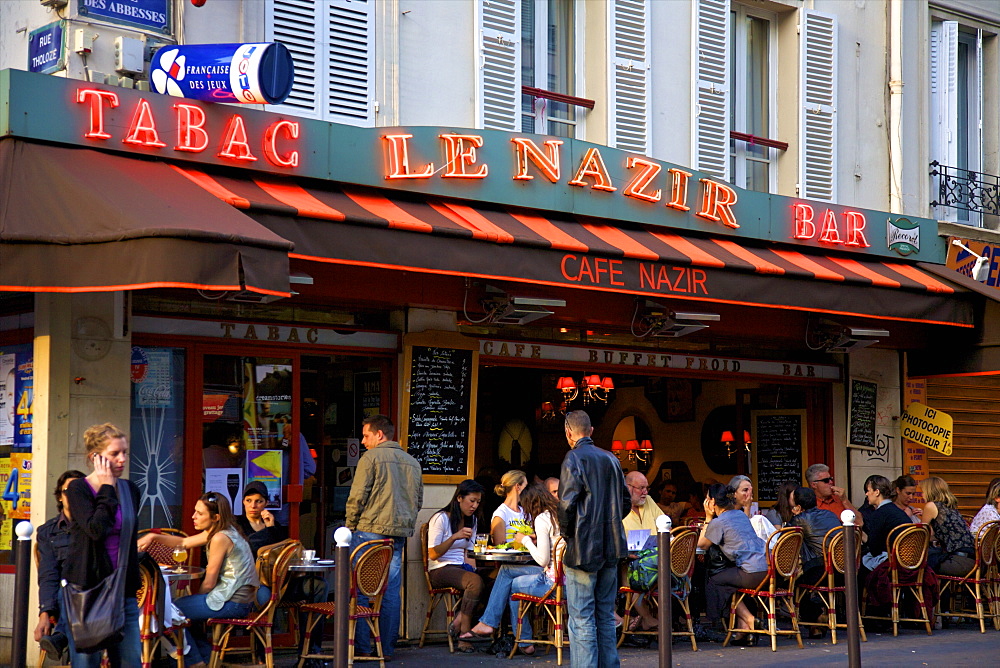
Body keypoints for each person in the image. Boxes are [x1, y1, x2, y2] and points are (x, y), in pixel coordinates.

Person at [142, 493, 259, 668]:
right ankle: (205, 659)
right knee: (184, 609)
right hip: (239, 600)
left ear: (216, 517)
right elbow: (184, 542)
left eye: (199, 513)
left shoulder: (220, 537)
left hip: (233, 602)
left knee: (168, 612)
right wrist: (153, 537)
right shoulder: (223, 530)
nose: (193, 516)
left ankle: (193, 662)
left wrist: (198, 600)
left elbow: (209, 582)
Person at [63, 423, 142, 667]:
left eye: (125, 452)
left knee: (130, 661)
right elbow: (95, 530)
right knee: (87, 661)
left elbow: (127, 537)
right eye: (114, 454)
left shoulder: (130, 489)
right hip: (88, 589)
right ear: (94, 457)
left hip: (122, 590)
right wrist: (107, 487)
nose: (122, 459)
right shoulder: (78, 489)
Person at [345, 414, 422, 661]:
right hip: (397, 535)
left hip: (369, 531)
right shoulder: (413, 462)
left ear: (380, 435)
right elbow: (418, 501)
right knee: (389, 592)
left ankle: (362, 647)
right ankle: (386, 649)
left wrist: (349, 527)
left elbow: (358, 496)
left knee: (358, 589)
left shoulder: (371, 458)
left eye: (366, 435)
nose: (363, 441)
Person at [558, 410, 628, 668]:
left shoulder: (573, 458)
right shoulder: (611, 459)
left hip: (583, 550)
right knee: (605, 616)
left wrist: (569, 536)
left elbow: (566, 506)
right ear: (591, 431)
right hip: (611, 548)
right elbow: (626, 502)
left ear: (568, 433)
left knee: (581, 618)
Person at [465, 483, 560, 655]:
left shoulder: (541, 519)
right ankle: (516, 637)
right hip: (566, 578)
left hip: (552, 583)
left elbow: (542, 560)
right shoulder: (557, 516)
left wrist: (525, 541)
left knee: (513, 584)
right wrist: (537, 539)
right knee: (508, 571)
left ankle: (515, 635)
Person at [697, 483, 768, 646]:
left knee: (715, 580)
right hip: (766, 570)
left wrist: (708, 517)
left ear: (712, 502)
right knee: (729, 579)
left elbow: (702, 545)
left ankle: (749, 619)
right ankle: (743, 630)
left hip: (750, 574)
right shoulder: (741, 515)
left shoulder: (718, 522)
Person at [427, 479, 486, 653]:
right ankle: (464, 634)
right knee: (475, 582)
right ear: (459, 498)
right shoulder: (441, 518)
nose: (474, 505)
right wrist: (454, 537)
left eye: (478, 502)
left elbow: (469, 554)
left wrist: (474, 571)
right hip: (440, 569)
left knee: (496, 578)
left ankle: (459, 620)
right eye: (471, 501)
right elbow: (433, 554)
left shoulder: (472, 520)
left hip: (461, 567)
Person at [35, 469, 86, 661]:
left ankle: (61, 637)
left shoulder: (96, 526)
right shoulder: (48, 532)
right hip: (63, 596)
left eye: (79, 490)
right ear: (59, 496)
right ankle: (62, 636)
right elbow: (48, 575)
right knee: (67, 587)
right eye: (68, 491)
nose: (73, 496)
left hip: (96, 595)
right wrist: (44, 613)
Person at [788, 486, 841, 635]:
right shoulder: (830, 515)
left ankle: (816, 618)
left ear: (798, 506)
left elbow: (786, 543)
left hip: (820, 571)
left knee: (794, 583)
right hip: (843, 571)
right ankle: (815, 627)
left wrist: (794, 518)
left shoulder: (799, 519)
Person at [621, 470, 663, 633]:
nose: (645, 492)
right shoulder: (617, 506)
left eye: (647, 488)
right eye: (641, 488)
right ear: (628, 488)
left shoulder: (649, 501)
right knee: (629, 571)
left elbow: (665, 525)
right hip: (630, 560)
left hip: (655, 561)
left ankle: (657, 618)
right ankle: (647, 618)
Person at [920, 476, 975, 577]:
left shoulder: (931, 505)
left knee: (918, 563)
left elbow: (922, 534)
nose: (922, 495)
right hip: (973, 561)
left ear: (929, 491)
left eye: (922, 491)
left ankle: (922, 592)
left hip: (958, 563)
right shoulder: (949, 507)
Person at [859, 475, 910, 572]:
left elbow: (875, 549)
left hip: (892, 563)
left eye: (868, 490)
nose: (866, 494)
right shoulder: (899, 511)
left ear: (877, 492)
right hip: (910, 561)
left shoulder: (878, 514)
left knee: (855, 566)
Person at [234, 481, 289, 558]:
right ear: (243, 502)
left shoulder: (274, 525)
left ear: (266, 503)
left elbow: (281, 552)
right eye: (248, 500)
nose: (253, 506)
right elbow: (243, 546)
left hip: (267, 569)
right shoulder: (236, 523)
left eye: (259, 501)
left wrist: (271, 528)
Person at [806, 463, 863, 528]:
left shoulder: (839, 498)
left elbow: (859, 522)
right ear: (814, 485)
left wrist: (844, 500)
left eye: (831, 479)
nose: (831, 482)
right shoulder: (809, 504)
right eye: (826, 480)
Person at [492, 469, 528, 545]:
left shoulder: (525, 511)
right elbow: (500, 546)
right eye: (526, 486)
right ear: (518, 486)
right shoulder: (501, 514)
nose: (528, 491)